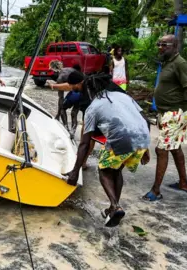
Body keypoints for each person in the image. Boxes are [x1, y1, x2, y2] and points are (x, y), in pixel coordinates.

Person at [64, 73, 151, 227]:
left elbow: (85, 143)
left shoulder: (93, 107)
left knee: (103, 170)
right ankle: (113, 208)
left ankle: (115, 205)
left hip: (122, 138)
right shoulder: (122, 95)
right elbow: (144, 118)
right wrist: (145, 148)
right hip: (143, 136)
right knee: (116, 170)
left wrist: (75, 171)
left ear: (89, 91)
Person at [142, 35, 187, 202]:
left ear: (175, 45)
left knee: (162, 149)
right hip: (167, 113)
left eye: (164, 44)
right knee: (174, 147)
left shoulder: (181, 64)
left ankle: (156, 190)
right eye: (158, 44)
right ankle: (183, 183)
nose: (160, 47)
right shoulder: (168, 62)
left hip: (176, 113)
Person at [48, 60, 81, 132]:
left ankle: (66, 128)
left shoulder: (60, 78)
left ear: (55, 70)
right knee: (74, 113)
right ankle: (73, 130)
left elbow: (61, 98)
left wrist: (58, 114)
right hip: (83, 91)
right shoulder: (69, 68)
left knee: (62, 108)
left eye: (52, 71)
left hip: (76, 92)